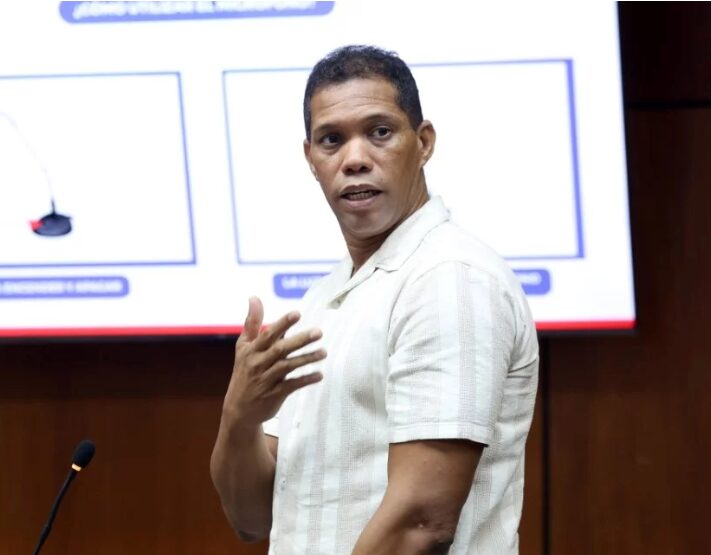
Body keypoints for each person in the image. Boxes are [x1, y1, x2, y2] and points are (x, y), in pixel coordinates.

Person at [210, 45, 539, 554]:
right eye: (332, 140)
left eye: (380, 132)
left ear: (423, 142)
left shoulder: (449, 277)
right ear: (311, 158)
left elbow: (421, 522)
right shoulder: (322, 299)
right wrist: (240, 414)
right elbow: (252, 518)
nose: (355, 159)